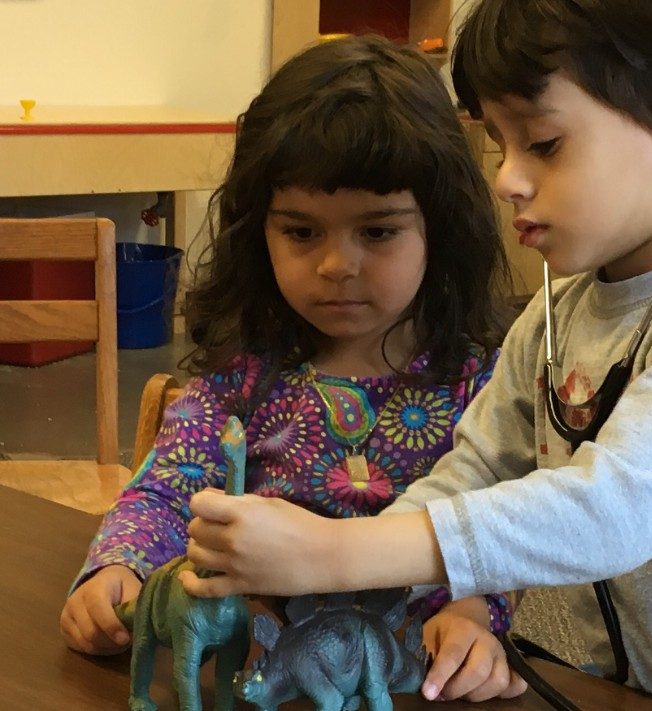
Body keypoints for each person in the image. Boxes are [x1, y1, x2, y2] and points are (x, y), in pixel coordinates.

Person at [180, 2, 652, 708]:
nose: (506, 178)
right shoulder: (558, 312)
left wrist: (338, 554)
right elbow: (473, 470)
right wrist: (326, 583)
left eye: (544, 144)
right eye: (502, 145)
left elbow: (608, 511)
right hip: (650, 692)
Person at [58, 35, 529, 704]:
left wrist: (475, 616)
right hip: (249, 674)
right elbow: (165, 494)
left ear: (442, 227)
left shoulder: (483, 381)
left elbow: (506, 528)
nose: (338, 264)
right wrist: (116, 567)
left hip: (412, 679)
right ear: (260, 232)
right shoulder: (244, 368)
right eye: (302, 232)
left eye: (378, 231)